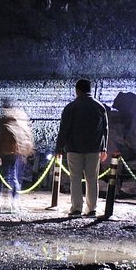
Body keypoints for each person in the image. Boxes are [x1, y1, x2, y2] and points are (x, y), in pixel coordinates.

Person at [55, 78, 108, 217]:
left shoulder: (71, 107)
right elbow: (105, 129)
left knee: (75, 179)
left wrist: (59, 148)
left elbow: (64, 129)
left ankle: (77, 208)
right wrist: (104, 148)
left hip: (74, 148)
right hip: (94, 149)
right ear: (90, 90)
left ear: (77, 90)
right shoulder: (99, 107)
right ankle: (92, 209)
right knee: (92, 179)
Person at [0, 98, 34, 212]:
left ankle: (7, 204)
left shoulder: (7, 123)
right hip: (19, 154)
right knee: (16, 178)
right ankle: (14, 202)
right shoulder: (20, 121)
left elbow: (2, 139)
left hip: (9, 153)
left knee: (8, 177)